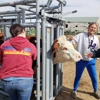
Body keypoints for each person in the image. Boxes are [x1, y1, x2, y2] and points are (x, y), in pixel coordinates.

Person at [0, 24, 37, 100]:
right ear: (23, 31)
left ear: (12, 33)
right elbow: (34, 58)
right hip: (25, 80)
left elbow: (1, 60)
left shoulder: (4, 45)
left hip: (7, 80)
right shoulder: (31, 46)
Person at [68, 22, 100, 99]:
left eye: (94, 28)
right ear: (88, 28)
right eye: (91, 27)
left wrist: (96, 57)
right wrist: (70, 38)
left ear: (96, 30)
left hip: (91, 61)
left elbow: (97, 49)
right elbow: (73, 41)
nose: (93, 29)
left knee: (94, 77)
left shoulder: (96, 38)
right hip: (81, 60)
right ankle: (74, 90)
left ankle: (95, 91)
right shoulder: (81, 35)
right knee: (78, 76)